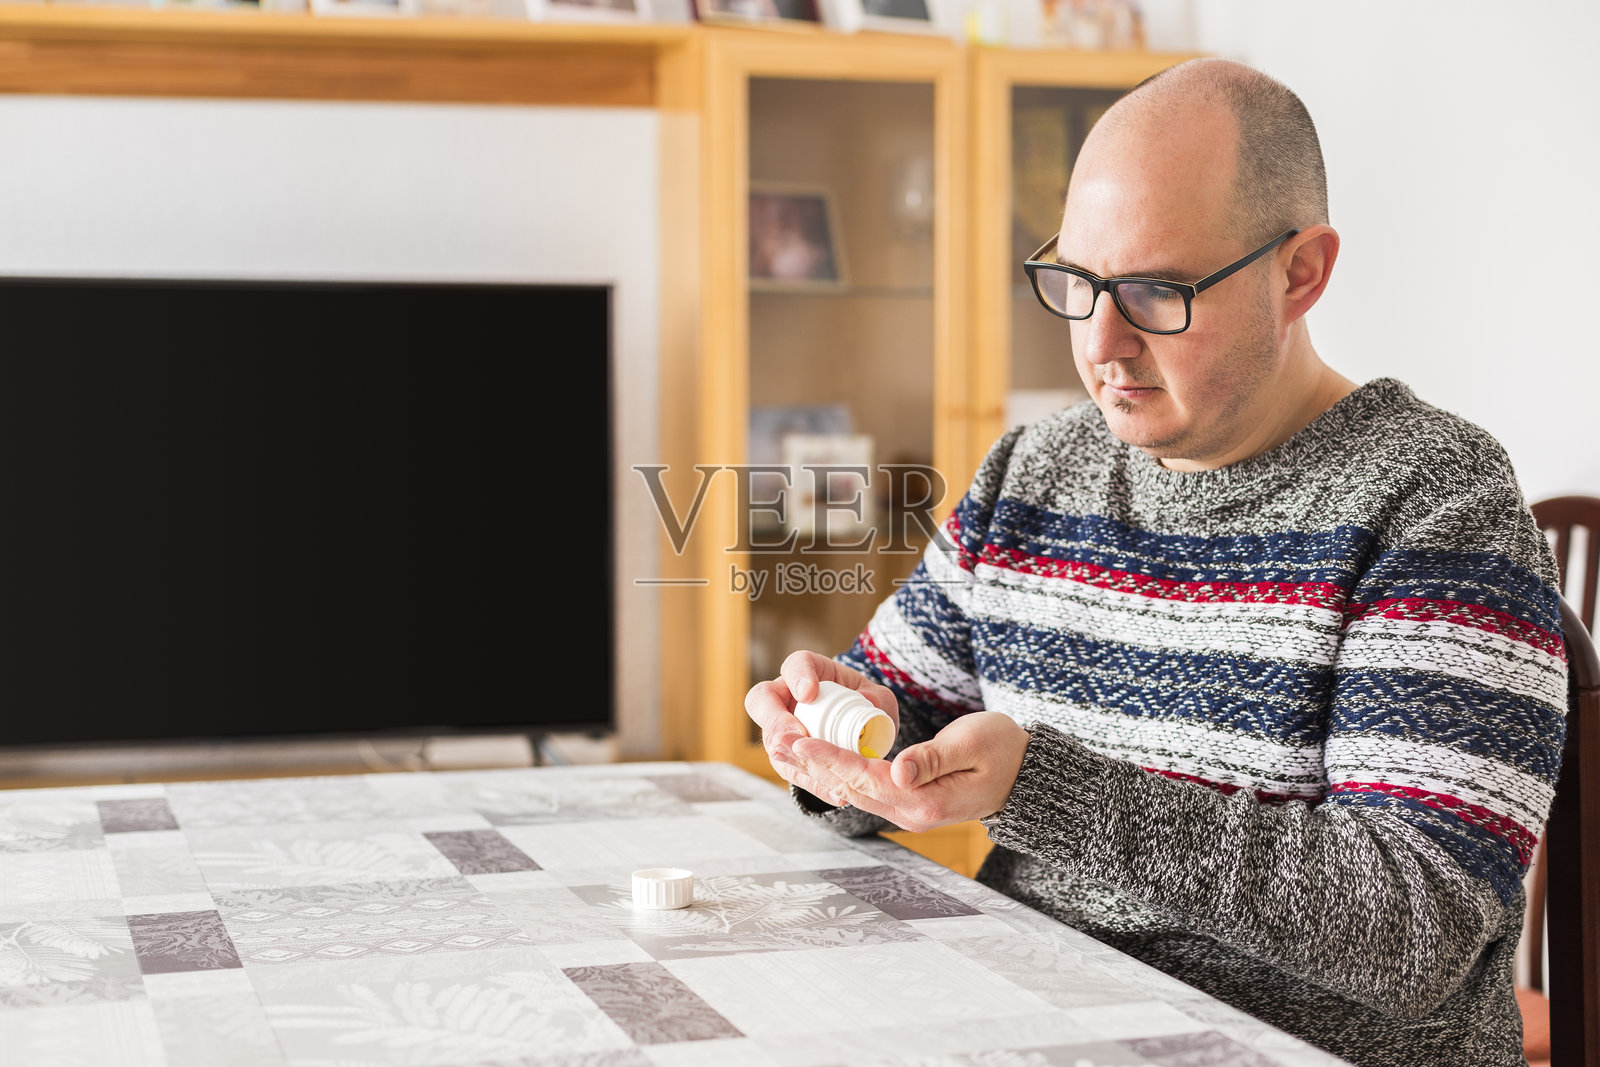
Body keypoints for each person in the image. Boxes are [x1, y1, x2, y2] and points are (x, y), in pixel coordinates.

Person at [743, 57, 1567, 1067]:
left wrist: (1041, 786)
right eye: (1077, 283)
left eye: (1155, 291)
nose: (1102, 345)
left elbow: (1417, 923)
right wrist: (832, 731)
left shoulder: (1434, 500)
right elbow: (899, 710)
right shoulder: (1034, 471)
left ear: (1299, 272)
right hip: (1037, 1023)